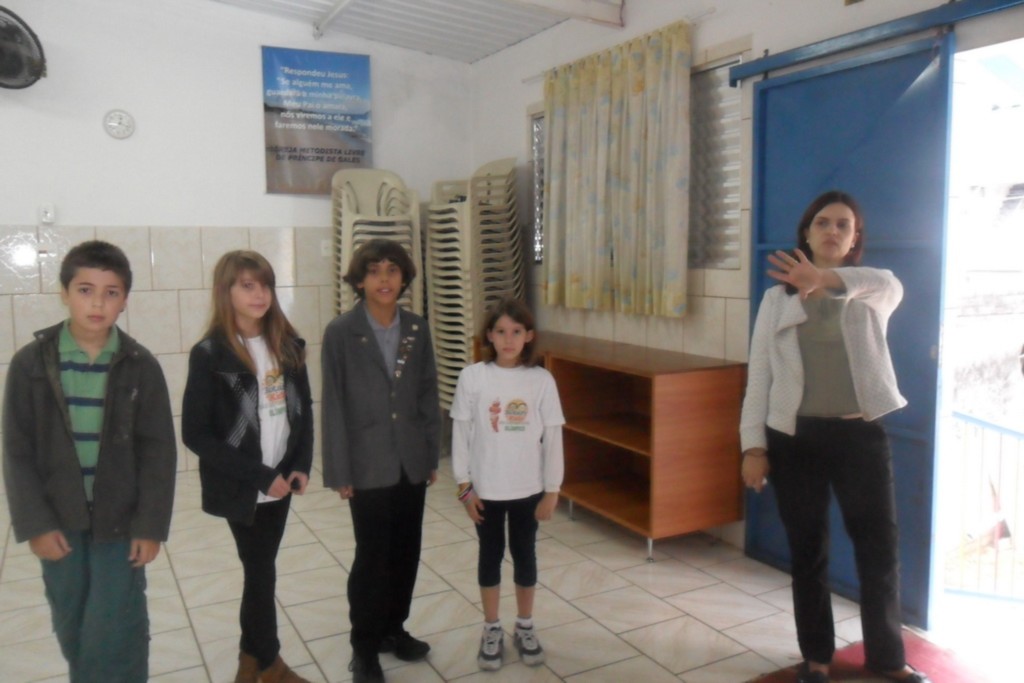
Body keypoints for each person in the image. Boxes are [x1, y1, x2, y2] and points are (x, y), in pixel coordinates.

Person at [739, 191, 931, 683]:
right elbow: (759, 376)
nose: (832, 231)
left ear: (854, 238)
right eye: (822, 222)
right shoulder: (776, 300)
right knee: (808, 550)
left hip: (859, 436)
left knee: (879, 550)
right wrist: (753, 447)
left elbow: (886, 283)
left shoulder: (871, 291)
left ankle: (887, 659)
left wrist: (822, 280)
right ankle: (817, 658)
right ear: (806, 232)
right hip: (794, 438)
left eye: (843, 225)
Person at [2, 240, 177, 683]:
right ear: (64, 293)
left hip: (121, 520)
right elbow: (16, 452)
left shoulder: (140, 366)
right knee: (71, 615)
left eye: (111, 292)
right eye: (85, 290)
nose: (97, 303)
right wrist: (35, 524)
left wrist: (150, 526)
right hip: (58, 518)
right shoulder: (30, 365)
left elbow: (158, 452)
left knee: (116, 620)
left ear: (125, 300)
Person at [181, 250, 314, 683]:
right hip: (241, 484)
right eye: (247, 285)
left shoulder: (289, 347)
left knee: (260, 570)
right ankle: (270, 664)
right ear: (227, 292)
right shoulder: (210, 354)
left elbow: (303, 413)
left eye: (265, 284)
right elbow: (196, 433)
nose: (260, 294)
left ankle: (250, 658)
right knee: (260, 570)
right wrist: (261, 477)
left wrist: (300, 464)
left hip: (281, 481)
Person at [321, 238, 442, 683]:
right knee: (372, 556)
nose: (384, 279)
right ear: (359, 281)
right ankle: (365, 646)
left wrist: (430, 452)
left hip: (411, 460)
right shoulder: (341, 332)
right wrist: (339, 470)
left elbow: (427, 392)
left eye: (392, 270)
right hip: (366, 464)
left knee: (406, 550)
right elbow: (333, 404)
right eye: (374, 271)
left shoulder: (417, 329)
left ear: (404, 277)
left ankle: (394, 628)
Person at [450, 297, 565, 671]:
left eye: (516, 331)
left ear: (529, 336)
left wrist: (552, 490)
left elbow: (553, 438)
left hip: (528, 490)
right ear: (489, 336)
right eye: (500, 331)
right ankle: (491, 628)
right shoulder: (473, 377)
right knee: (490, 555)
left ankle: (525, 625)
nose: (509, 339)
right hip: (485, 491)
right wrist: (465, 488)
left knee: (525, 554)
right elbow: (461, 434)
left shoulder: (541, 380)